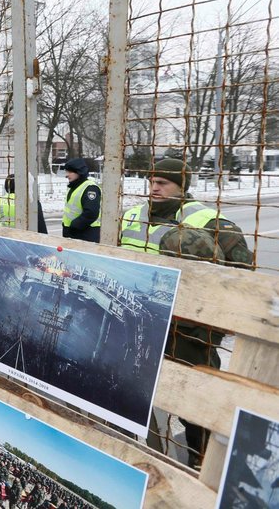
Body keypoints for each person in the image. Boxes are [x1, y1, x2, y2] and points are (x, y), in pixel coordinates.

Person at [119, 157, 252, 467]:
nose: (155, 188)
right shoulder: (131, 216)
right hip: (137, 319)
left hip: (186, 330)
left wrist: (212, 327)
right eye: (152, 182)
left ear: (182, 187)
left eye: (163, 183)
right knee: (137, 392)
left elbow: (242, 274)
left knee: (194, 400)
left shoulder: (208, 220)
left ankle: (201, 462)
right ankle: (142, 454)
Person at [61, 157, 101, 243]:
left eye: (70, 172)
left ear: (79, 172)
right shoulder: (74, 186)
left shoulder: (90, 188)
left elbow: (91, 213)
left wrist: (74, 226)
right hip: (74, 234)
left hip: (85, 234)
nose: (66, 175)